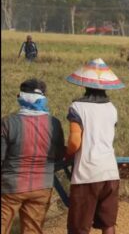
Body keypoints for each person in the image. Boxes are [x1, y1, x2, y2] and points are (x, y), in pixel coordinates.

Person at [65, 59, 124, 234]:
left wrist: (67, 153)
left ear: (85, 84)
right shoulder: (111, 108)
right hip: (110, 173)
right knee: (108, 223)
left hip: (87, 174)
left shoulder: (77, 107)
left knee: (79, 227)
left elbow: (75, 142)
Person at [1, 79, 65, 234]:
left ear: (20, 97)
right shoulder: (54, 124)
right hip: (42, 186)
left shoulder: (8, 122)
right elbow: (59, 155)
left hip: (11, 186)